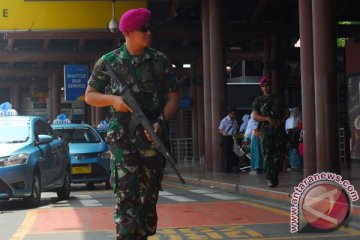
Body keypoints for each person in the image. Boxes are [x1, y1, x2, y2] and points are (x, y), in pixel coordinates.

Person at [84, 8, 179, 240]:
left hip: (152, 135)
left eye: (149, 28)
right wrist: (114, 100)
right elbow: (90, 95)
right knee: (126, 193)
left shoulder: (160, 61)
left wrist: (160, 121)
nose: (148, 32)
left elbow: (173, 98)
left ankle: (142, 235)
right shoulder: (108, 62)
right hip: (123, 137)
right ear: (127, 33)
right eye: (143, 29)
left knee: (149, 194)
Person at [252, 76, 288, 188]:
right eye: (265, 85)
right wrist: (267, 119)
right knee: (267, 155)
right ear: (261, 88)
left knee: (280, 154)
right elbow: (255, 116)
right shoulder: (258, 100)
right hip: (265, 132)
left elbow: (287, 111)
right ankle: (271, 178)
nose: (268, 87)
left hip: (279, 131)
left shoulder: (279, 99)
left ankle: (273, 173)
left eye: (269, 85)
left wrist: (281, 120)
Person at [218, 107, 239, 173]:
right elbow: (220, 129)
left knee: (235, 152)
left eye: (235, 114)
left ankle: (234, 167)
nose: (234, 115)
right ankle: (228, 169)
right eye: (233, 114)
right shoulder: (224, 120)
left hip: (233, 137)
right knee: (228, 153)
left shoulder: (234, 120)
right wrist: (224, 133)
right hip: (227, 138)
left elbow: (236, 128)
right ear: (229, 113)